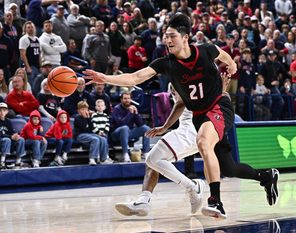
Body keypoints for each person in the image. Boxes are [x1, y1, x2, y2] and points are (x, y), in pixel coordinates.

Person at [84, 13, 279, 219]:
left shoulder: (206, 50)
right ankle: (266, 176)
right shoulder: (166, 63)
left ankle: (216, 202)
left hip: (219, 107)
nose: (167, 40)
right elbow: (136, 77)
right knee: (229, 168)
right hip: (199, 115)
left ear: (185, 37)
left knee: (203, 143)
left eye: (172, 36)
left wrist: (232, 65)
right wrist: (105, 78)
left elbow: (225, 56)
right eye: (166, 36)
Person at [115, 75, 278, 217]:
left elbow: (184, 103)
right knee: (228, 168)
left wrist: (164, 127)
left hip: (197, 129)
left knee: (153, 158)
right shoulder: (179, 72)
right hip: (202, 126)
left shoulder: (196, 75)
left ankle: (193, 187)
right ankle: (144, 199)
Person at [110, 91, 150, 162]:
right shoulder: (116, 109)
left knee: (146, 128)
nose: (127, 100)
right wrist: (130, 113)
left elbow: (140, 124)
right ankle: (125, 154)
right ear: (121, 100)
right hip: (116, 134)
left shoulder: (132, 108)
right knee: (125, 128)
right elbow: (121, 124)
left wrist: (136, 113)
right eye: (125, 98)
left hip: (129, 133)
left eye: (128, 98)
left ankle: (145, 152)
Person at [73, 101, 112, 165]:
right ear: (78, 111)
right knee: (95, 139)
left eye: (86, 109)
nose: (85, 111)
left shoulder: (89, 117)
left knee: (103, 139)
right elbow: (84, 128)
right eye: (82, 109)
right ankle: (92, 158)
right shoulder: (77, 118)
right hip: (80, 135)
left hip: (89, 134)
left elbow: (91, 128)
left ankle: (103, 159)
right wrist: (86, 118)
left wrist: (99, 132)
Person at [0, 102, 25, 170]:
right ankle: (2, 162)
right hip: (2, 141)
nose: (2, 112)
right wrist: (10, 137)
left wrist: (15, 135)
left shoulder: (8, 121)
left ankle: (18, 161)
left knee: (21, 139)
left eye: (4, 110)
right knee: (6, 139)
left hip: (8, 142)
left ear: (7, 112)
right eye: (0, 110)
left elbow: (12, 132)